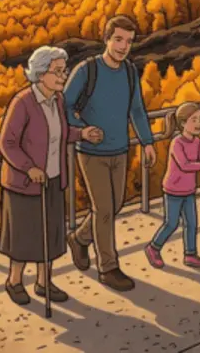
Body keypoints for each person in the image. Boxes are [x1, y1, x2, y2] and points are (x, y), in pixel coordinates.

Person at [0, 46, 105, 306]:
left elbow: (61, 132)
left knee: (50, 233)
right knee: (24, 236)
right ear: (41, 73)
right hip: (25, 184)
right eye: (57, 71)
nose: (63, 76)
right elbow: (7, 143)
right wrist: (28, 168)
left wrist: (82, 134)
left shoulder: (56, 100)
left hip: (53, 179)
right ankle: (14, 281)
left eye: (64, 70)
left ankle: (44, 282)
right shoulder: (22, 102)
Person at [63, 15, 157, 292]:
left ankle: (79, 239)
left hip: (120, 149)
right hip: (91, 152)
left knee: (113, 206)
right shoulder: (86, 70)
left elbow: (137, 110)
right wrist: (83, 129)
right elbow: (66, 108)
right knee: (104, 208)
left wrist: (147, 142)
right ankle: (108, 268)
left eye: (128, 41)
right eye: (118, 39)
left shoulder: (129, 72)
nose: (123, 46)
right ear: (106, 39)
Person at [145, 102, 200, 270]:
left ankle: (190, 254)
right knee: (171, 223)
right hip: (173, 190)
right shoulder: (177, 143)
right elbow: (184, 165)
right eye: (194, 120)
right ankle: (153, 247)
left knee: (192, 223)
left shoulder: (196, 141)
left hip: (188, 190)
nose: (199, 124)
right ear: (183, 123)